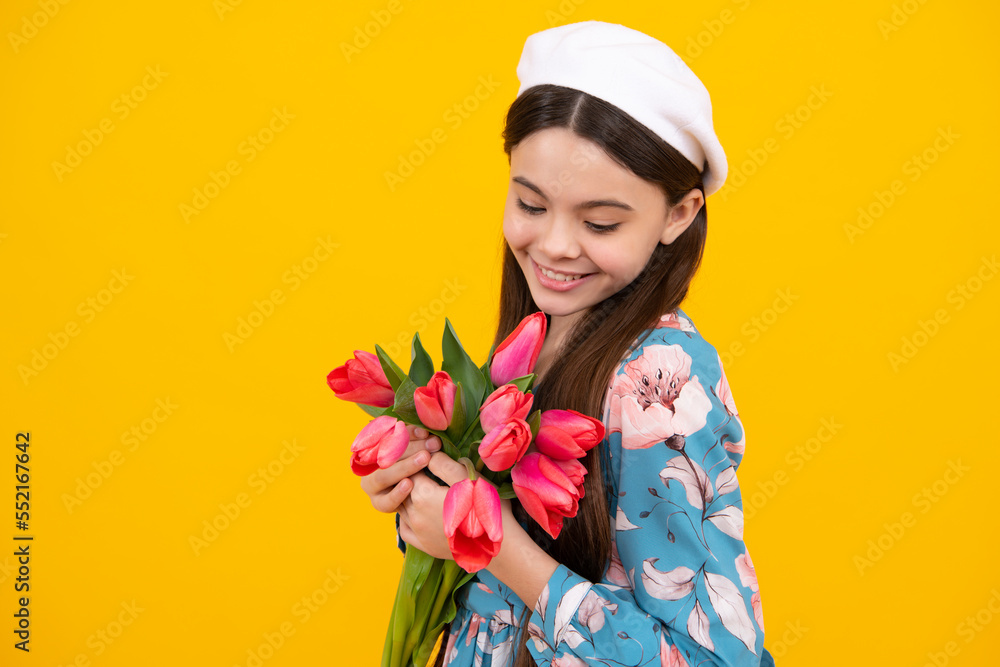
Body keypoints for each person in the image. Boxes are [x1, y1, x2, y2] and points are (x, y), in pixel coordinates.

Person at [360, 20, 775, 667]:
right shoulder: (540, 337)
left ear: (679, 214)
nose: (554, 245)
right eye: (531, 205)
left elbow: (710, 658)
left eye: (600, 222)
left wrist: (490, 542)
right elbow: (517, 584)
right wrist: (425, 497)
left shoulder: (654, 386)